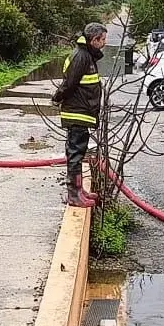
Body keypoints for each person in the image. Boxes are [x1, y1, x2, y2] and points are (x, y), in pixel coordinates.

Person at [53, 23, 108, 208]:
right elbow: (69, 84)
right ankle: (74, 195)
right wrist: (57, 98)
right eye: (103, 39)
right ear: (94, 40)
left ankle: (78, 191)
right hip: (78, 112)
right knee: (76, 153)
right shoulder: (81, 57)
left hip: (82, 112)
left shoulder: (87, 56)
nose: (104, 43)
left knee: (78, 152)